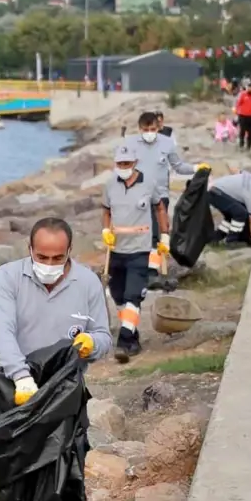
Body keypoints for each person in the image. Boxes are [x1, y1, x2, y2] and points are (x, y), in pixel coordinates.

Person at [0, 217, 112, 501]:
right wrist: (22, 377)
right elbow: (3, 332)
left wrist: (93, 343)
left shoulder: (88, 283)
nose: (49, 263)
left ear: (69, 252)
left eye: (57, 257)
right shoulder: (8, 279)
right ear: (29, 249)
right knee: (11, 473)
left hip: (67, 392)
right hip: (18, 389)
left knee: (68, 476)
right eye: (42, 255)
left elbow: (107, 337)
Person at [103, 145, 168, 363]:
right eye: (119, 164)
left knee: (133, 295)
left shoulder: (148, 183)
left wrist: (164, 235)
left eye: (126, 164)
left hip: (140, 249)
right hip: (116, 250)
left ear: (135, 163)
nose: (123, 167)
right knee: (119, 296)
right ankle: (132, 335)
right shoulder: (110, 185)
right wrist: (105, 231)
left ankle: (123, 341)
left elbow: (159, 207)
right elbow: (106, 209)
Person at [128, 112, 205, 287]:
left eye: (153, 129)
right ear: (140, 129)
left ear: (159, 128)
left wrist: (196, 168)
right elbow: (123, 167)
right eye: (146, 129)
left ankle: (152, 272)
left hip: (160, 196)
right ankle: (140, 270)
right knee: (141, 234)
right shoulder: (131, 144)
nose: (149, 132)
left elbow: (178, 166)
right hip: (137, 195)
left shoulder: (167, 143)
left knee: (156, 234)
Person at [207, 168, 251, 247]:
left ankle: (216, 238)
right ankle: (231, 241)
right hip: (216, 193)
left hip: (215, 189)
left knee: (231, 215)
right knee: (241, 213)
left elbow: (237, 170)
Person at [234, 83, 251, 149]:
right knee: (242, 130)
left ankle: (249, 145)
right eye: (249, 88)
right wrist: (236, 114)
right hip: (243, 116)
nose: (250, 89)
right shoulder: (243, 94)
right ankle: (241, 144)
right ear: (247, 88)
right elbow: (238, 104)